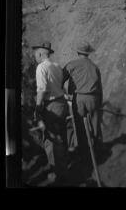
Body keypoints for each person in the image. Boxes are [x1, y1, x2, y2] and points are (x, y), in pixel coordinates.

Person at [32, 41, 69, 185]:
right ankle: (63, 166)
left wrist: (37, 108)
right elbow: (59, 86)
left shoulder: (41, 67)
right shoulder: (57, 66)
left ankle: (58, 173)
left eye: (36, 53)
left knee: (51, 140)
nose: (35, 56)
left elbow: (42, 89)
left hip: (51, 106)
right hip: (61, 104)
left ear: (41, 53)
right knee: (61, 136)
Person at [62, 41, 103, 162]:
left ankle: (84, 154)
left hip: (78, 98)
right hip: (93, 98)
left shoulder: (71, 65)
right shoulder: (94, 67)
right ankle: (98, 150)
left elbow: (60, 80)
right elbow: (100, 87)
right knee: (96, 125)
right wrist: (99, 102)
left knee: (80, 126)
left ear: (78, 52)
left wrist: (65, 95)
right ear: (88, 53)